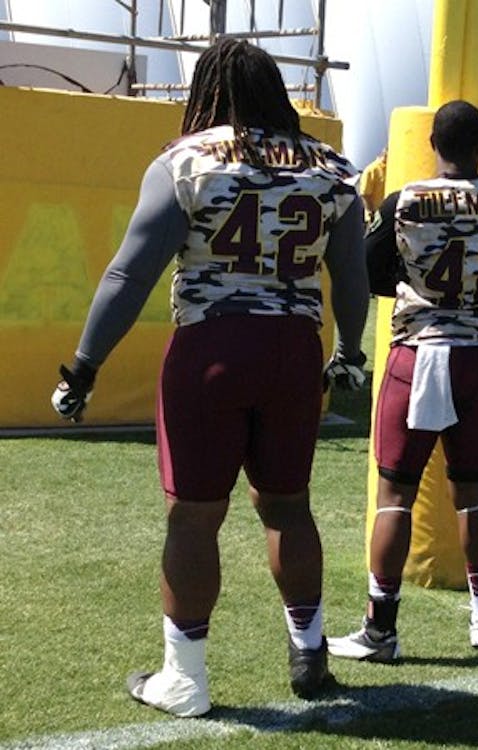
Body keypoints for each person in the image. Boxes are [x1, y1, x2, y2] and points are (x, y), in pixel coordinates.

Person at [50, 39, 370, 716]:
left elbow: (129, 274)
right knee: (288, 503)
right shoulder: (331, 167)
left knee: (194, 514)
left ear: (207, 91)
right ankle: (308, 649)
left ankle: (186, 677)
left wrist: (84, 364)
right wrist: (350, 351)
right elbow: (351, 277)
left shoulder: (186, 160)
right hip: (294, 348)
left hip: (213, 348)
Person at [327, 100, 478, 662]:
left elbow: (369, 272)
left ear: (433, 145)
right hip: (475, 355)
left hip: (418, 352)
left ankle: (380, 631)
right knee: (472, 494)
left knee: (395, 494)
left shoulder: (406, 202)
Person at [357, 147, 388, 225]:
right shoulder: (372, 170)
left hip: (387, 215)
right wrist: (372, 212)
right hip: (374, 216)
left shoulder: (390, 168)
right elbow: (365, 195)